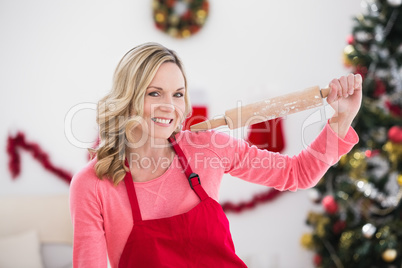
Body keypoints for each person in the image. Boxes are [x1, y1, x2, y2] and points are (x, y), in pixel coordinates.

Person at [70, 42, 362, 267]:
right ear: (128, 98)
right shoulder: (93, 184)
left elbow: (296, 174)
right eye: (153, 93)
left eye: (178, 94)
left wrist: (342, 119)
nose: (169, 106)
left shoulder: (206, 147)